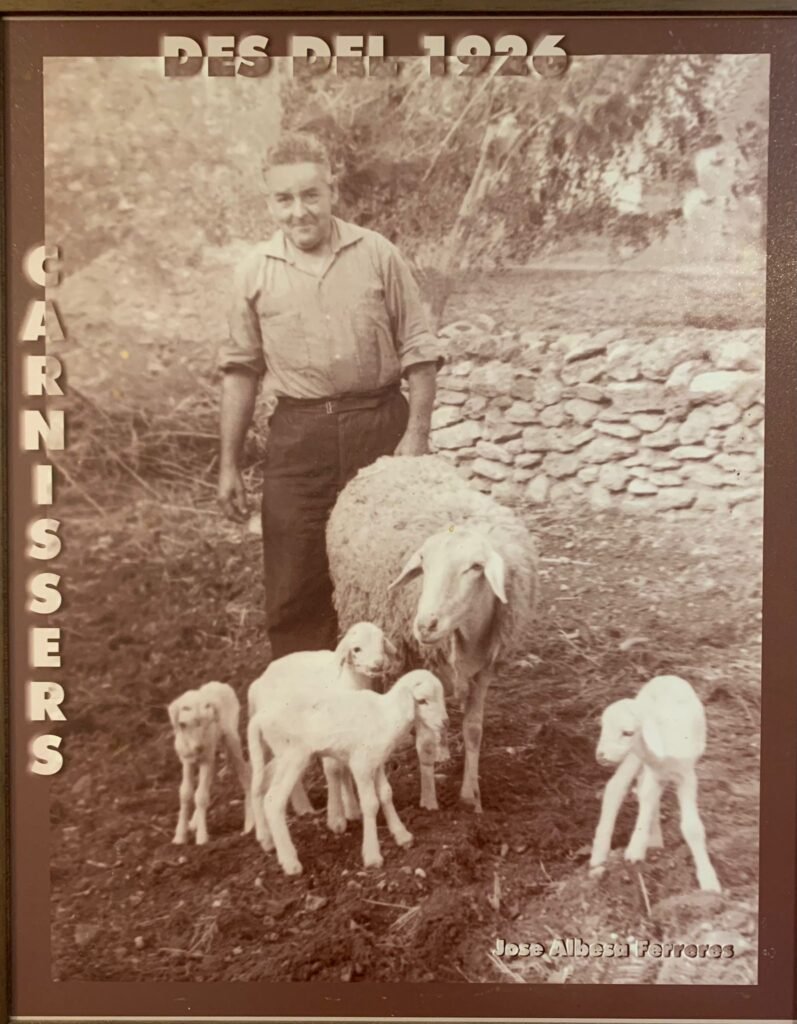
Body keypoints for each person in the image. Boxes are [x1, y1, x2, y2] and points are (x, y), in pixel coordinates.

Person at [217, 132, 442, 659]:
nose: (299, 211)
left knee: (394, 572)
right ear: (269, 201)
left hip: (380, 429)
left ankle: (395, 702)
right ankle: (308, 704)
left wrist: (416, 438)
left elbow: (420, 351)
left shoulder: (377, 253)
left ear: (331, 190)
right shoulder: (253, 271)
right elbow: (240, 371)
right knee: (295, 583)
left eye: (310, 194)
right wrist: (227, 464)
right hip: (299, 440)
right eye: (284, 199)